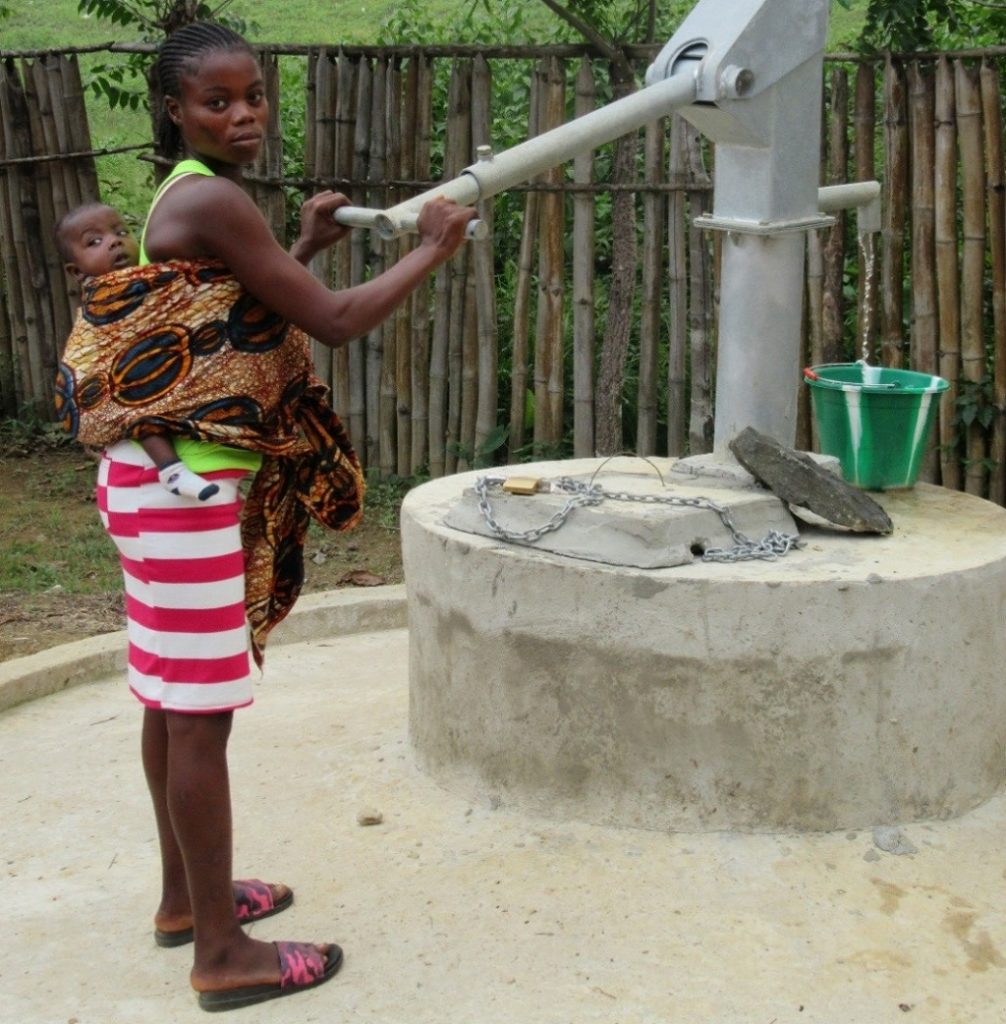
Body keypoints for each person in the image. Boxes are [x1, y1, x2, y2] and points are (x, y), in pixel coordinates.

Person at [58, 20, 475, 1013]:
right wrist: (432, 250)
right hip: (184, 495)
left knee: (169, 699)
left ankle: (182, 898)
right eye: (218, 102)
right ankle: (223, 951)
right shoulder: (210, 195)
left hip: (145, 485)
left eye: (253, 96)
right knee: (200, 717)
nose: (242, 115)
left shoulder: (180, 198)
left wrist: (303, 245)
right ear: (176, 109)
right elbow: (326, 319)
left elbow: (220, 321)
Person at [56, 201, 221, 501]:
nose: (115, 240)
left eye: (121, 231)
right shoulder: (102, 294)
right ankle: (170, 469)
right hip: (114, 382)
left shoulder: (149, 280)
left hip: (162, 366)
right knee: (137, 402)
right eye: (95, 241)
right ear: (76, 271)